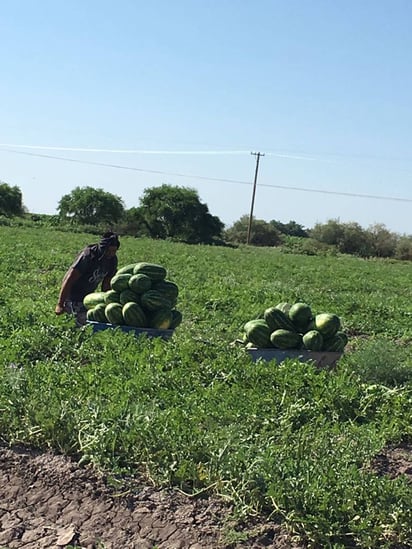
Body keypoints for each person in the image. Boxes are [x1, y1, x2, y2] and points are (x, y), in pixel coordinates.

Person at [55, 231, 120, 327]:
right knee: (82, 325)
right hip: (73, 296)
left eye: (114, 251)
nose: (111, 254)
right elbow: (69, 279)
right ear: (103, 248)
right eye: (109, 251)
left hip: (87, 297)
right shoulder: (88, 256)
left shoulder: (112, 260)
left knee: (94, 322)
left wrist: (108, 303)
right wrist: (60, 304)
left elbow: (106, 284)